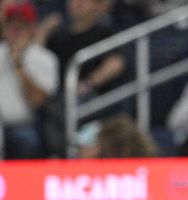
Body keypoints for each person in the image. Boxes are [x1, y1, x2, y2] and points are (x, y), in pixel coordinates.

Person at [0, 1, 59, 159]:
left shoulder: (45, 59)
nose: (15, 31)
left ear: (32, 28)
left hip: (27, 125)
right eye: (11, 25)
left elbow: (38, 101)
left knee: (26, 139)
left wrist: (18, 66)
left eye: (21, 26)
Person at [43, 0, 126, 98]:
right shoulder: (58, 36)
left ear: (96, 5)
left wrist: (89, 83)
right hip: (60, 96)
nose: (78, 3)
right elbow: (34, 58)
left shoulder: (103, 32)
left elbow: (116, 63)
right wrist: (44, 30)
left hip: (92, 96)